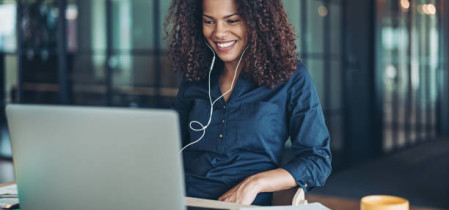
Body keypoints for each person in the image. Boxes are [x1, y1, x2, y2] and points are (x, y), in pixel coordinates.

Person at [165, 0, 332, 206]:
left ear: (257, 21)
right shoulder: (196, 76)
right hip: (183, 201)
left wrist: (255, 183)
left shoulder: (291, 78)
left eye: (232, 20)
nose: (219, 33)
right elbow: (168, 148)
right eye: (209, 21)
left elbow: (317, 161)